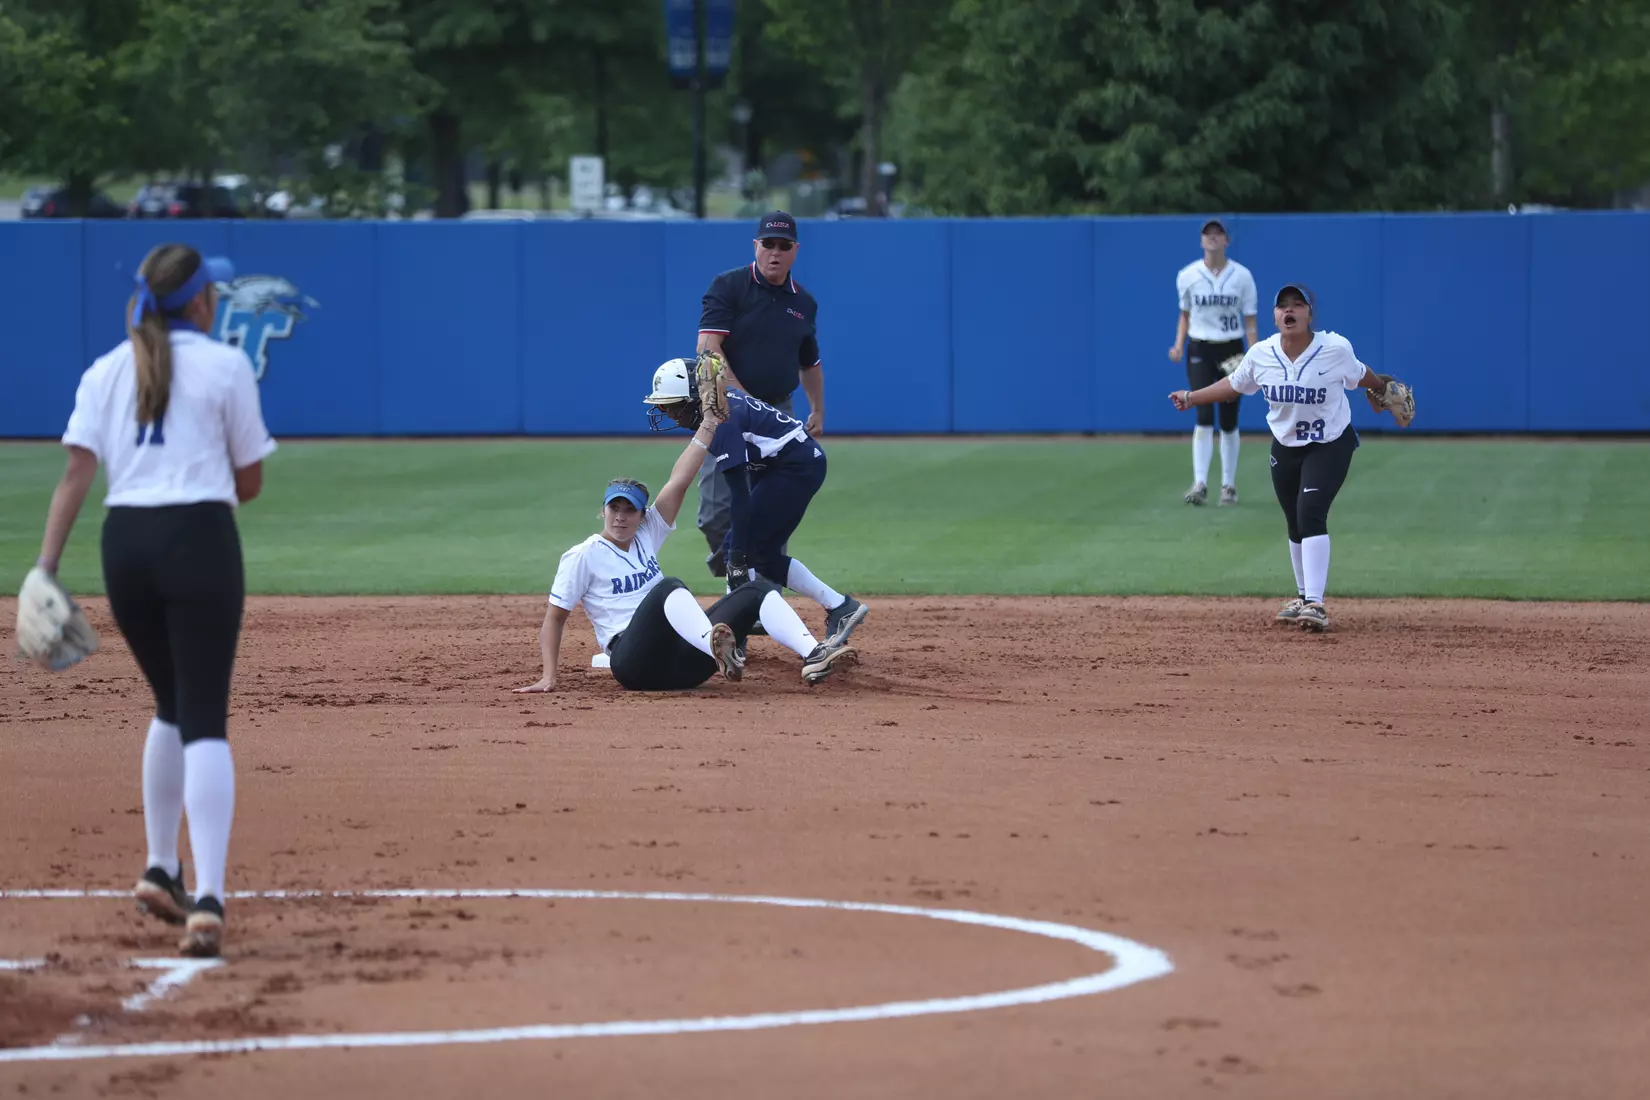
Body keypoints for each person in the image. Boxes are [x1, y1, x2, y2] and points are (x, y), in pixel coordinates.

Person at [27, 244, 276, 957]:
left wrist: (44, 567)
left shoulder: (107, 368)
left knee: (170, 703)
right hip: (198, 537)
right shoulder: (225, 365)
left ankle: (161, 868)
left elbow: (76, 474)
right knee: (204, 717)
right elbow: (249, 483)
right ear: (199, 301)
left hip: (123, 547)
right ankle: (209, 901)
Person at [513, 400, 857, 694]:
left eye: (629, 510)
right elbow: (555, 618)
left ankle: (815, 653)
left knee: (757, 590)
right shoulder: (583, 556)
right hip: (634, 664)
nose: (620, 516)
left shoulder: (647, 533)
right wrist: (548, 676)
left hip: (685, 666)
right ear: (602, 511)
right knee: (668, 586)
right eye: (614, 508)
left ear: (642, 515)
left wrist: (708, 424)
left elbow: (680, 480)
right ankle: (714, 644)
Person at [1168, 283, 1412, 632]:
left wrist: (1381, 388)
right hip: (1285, 445)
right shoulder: (1262, 354)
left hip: (1330, 442)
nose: (1289, 310)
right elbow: (1234, 384)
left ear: (1310, 314)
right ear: (1274, 315)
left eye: (1298, 305)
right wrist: (1192, 397)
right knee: (1295, 520)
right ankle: (1302, 597)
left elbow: (1362, 375)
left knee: (1311, 511)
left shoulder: (1334, 348)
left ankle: (1316, 603)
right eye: (1283, 305)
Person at [642, 357, 867, 648]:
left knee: (739, 549)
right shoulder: (720, 411)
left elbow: (740, 496)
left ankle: (738, 630)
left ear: (693, 399)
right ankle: (836, 607)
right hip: (784, 465)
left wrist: (737, 556)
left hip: (795, 468)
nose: (668, 413)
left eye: (672, 406)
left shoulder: (722, 421)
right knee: (761, 555)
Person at [694, 210, 825, 575]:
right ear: (756, 245)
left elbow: (809, 362)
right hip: (726, 409)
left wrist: (817, 409)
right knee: (715, 514)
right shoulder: (729, 286)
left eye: (784, 245)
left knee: (772, 508)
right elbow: (707, 348)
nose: (775, 252)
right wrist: (741, 397)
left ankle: (762, 593)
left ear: (795, 251)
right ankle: (739, 571)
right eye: (768, 244)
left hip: (778, 412)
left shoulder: (803, 303)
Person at [1168, 219, 1259, 506]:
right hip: (1200, 346)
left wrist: (1255, 354)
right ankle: (1200, 483)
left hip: (1232, 348)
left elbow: (1250, 320)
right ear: (1201, 240)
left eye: (1218, 234)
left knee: (1229, 419)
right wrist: (1179, 344)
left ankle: (1228, 485)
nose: (1212, 238)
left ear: (1226, 241)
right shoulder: (1188, 275)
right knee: (1203, 412)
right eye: (1208, 234)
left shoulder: (1242, 276)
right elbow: (1185, 314)